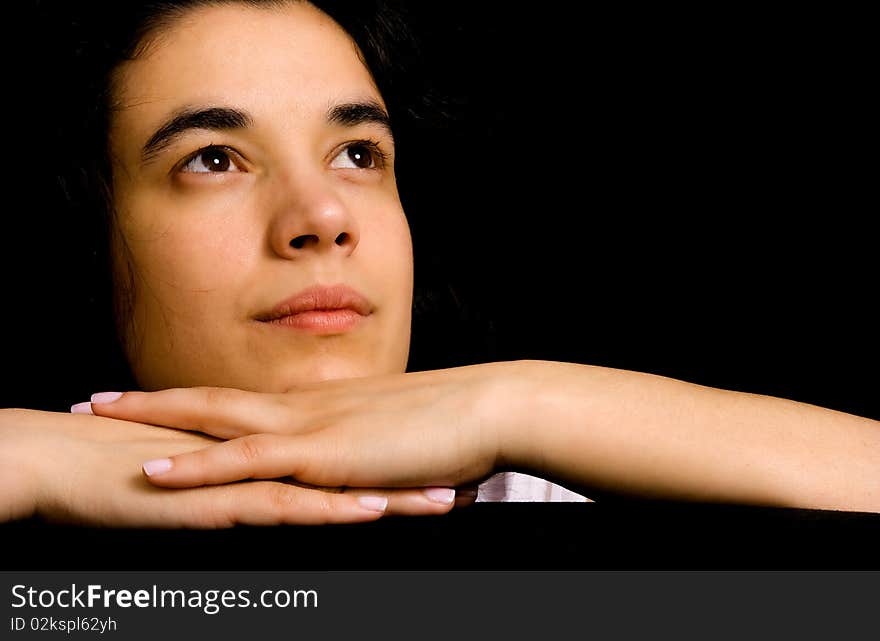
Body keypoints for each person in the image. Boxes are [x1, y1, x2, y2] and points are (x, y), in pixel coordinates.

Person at [2, 0, 877, 528]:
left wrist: (522, 402)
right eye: (214, 159)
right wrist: (27, 464)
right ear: (90, 217)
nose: (322, 218)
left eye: (357, 153)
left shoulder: (526, 491)